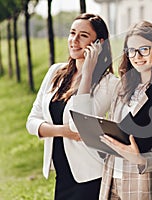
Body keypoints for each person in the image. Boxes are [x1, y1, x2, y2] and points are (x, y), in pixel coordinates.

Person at [73, 20, 152, 199]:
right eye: (131, 50)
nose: (137, 56)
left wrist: (141, 159)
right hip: (112, 179)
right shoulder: (124, 85)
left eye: (144, 49)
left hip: (143, 185)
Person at [26, 13, 118, 200]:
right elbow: (31, 122)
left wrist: (87, 73)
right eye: (72, 33)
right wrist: (63, 131)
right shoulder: (55, 72)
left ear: (98, 43)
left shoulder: (109, 84)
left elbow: (79, 126)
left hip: (90, 175)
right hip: (62, 173)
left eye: (83, 35)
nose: (74, 40)